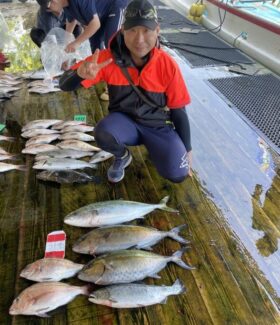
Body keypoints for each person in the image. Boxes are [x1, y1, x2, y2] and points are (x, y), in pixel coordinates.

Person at [59, 0, 192, 184]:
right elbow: (64, 85)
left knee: (178, 173)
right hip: (123, 123)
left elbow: (179, 111)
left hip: (157, 125)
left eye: (146, 31)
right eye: (132, 30)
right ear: (122, 30)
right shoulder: (106, 59)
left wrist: (188, 150)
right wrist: (79, 74)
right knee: (103, 132)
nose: (139, 40)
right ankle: (122, 155)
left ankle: (159, 149)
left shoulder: (167, 65)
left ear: (157, 31)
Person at [38, 0, 127, 53]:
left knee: (111, 43)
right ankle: (103, 76)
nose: (48, 10)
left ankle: (123, 74)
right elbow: (71, 20)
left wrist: (76, 42)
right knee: (95, 48)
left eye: (48, 7)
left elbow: (95, 24)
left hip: (115, 5)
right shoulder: (65, 4)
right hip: (100, 15)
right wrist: (67, 41)